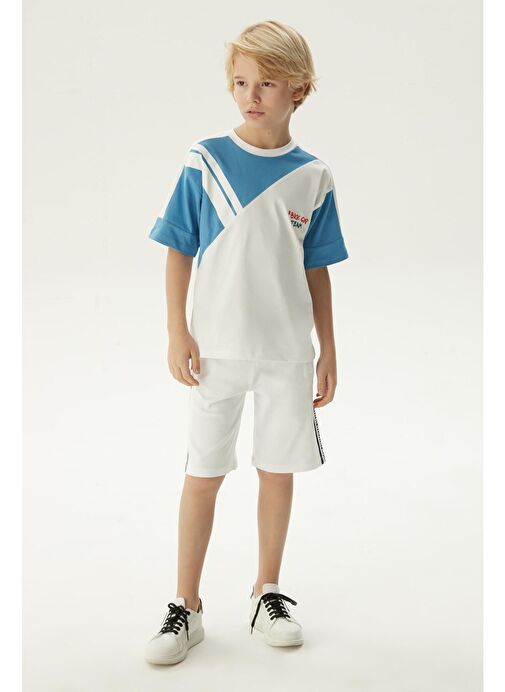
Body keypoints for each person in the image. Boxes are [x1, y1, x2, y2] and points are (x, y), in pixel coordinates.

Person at [144, 19, 349, 665]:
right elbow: (178, 247)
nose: (250, 96)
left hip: (286, 355)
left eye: (266, 83)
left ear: (300, 90)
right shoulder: (205, 160)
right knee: (203, 474)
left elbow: (317, 268)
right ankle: (186, 606)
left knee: (275, 472)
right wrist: (177, 329)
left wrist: (328, 348)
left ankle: (267, 592)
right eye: (239, 82)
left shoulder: (313, 175)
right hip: (215, 353)